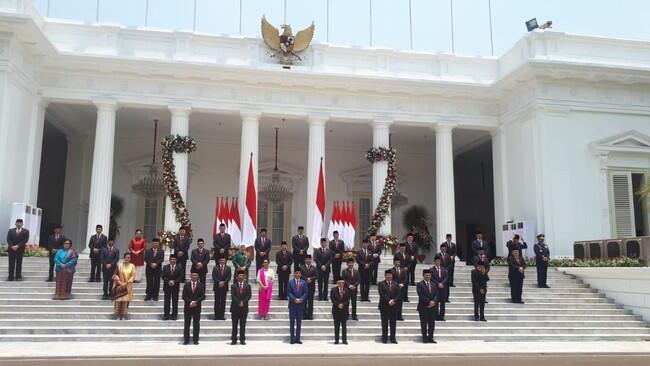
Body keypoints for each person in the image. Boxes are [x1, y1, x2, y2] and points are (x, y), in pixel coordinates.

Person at [182, 272, 206, 345]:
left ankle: (196, 339)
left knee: (196, 324)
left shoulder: (201, 285)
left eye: (196, 275)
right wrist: (191, 302)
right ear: (190, 276)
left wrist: (196, 302)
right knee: (187, 324)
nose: (194, 276)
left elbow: (202, 296)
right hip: (188, 307)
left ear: (198, 276)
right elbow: (184, 296)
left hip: (197, 307)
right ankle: (186, 339)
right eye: (193, 275)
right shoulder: (186, 285)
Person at [416, 269, 438, 343]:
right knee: (424, 323)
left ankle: (431, 338)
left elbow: (436, 294)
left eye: (429, 275)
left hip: (432, 307)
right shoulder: (419, 284)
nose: (428, 276)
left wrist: (433, 302)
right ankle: (424, 338)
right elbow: (421, 295)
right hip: (423, 307)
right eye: (426, 275)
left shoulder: (433, 284)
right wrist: (429, 302)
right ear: (423, 276)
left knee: (432, 323)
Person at [378, 269, 400, 344]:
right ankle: (384, 338)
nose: (389, 276)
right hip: (384, 306)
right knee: (384, 323)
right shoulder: (381, 284)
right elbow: (382, 293)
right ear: (385, 276)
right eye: (387, 275)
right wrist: (388, 300)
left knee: (393, 323)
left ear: (392, 276)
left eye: (390, 275)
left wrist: (394, 300)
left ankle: (393, 338)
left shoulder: (396, 284)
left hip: (394, 306)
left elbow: (398, 294)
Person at [112, 253, 136, 320]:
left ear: (130, 258)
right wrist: (119, 282)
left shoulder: (132, 266)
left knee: (125, 301)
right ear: (124, 258)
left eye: (128, 257)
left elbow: (133, 276)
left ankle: (123, 315)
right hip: (119, 286)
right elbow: (115, 275)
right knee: (118, 300)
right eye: (126, 257)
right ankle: (117, 315)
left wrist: (126, 283)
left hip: (128, 286)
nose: (127, 259)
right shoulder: (119, 265)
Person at [230, 270, 251, 345]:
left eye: (242, 277)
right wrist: (239, 302)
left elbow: (249, 296)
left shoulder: (248, 285)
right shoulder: (233, 286)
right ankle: (234, 339)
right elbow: (233, 296)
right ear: (236, 277)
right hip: (235, 308)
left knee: (243, 325)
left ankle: (242, 339)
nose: (241, 278)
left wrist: (243, 302)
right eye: (239, 277)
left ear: (244, 277)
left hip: (244, 308)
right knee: (234, 325)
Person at [288, 268, 308, 344]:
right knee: (292, 322)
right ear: (294, 274)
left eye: (299, 273)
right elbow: (289, 293)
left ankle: (298, 338)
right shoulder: (290, 282)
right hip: (292, 305)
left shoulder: (303, 282)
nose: (298, 274)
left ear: (301, 274)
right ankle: (292, 338)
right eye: (296, 273)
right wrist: (295, 299)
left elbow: (306, 293)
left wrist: (301, 299)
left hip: (300, 305)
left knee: (299, 322)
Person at [162, 255, 184, 320]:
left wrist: (174, 281)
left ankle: (174, 315)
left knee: (175, 301)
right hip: (167, 286)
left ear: (176, 260)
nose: (172, 260)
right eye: (171, 259)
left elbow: (180, 276)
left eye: (174, 259)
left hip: (175, 286)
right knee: (166, 301)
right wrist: (168, 281)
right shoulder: (165, 267)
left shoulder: (179, 267)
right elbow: (163, 276)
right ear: (169, 260)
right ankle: (166, 315)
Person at [330, 279, 350, 345]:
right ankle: (336, 340)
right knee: (336, 325)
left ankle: (344, 340)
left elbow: (348, 299)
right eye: (340, 282)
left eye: (342, 282)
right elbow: (332, 299)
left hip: (344, 310)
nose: (341, 284)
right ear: (337, 283)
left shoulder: (346, 290)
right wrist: (338, 304)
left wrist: (343, 304)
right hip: (336, 310)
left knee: (344, 325)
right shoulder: (333, 290)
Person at [431, 255, 448, 321]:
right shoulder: (431, 270)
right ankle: (436, 316)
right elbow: (431, 278)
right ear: (434, 262)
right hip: (435, 288)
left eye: (439, 261)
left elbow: (446, 278)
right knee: (436, 302)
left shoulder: (444, 269)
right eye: (437, 261)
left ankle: (442, 316)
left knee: (442, 303)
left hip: (443, 288)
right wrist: (438, 283)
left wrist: (442, 283)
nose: (438, 263)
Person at [300, 255, 317, 320]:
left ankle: (310, 315)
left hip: (311, 287)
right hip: (303, 287)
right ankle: (303, 315)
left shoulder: (314, 268)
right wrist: (306, 279)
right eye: (307, 259)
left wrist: (311, 279)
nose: (308, 261)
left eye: (309, 259)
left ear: (311, 260)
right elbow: (300, 275)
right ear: (305, 260)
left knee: (310, 302)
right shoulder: (301, 267)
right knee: (304, 301)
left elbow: (316, 276)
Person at [390, 256, 407, 321]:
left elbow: (405, 279)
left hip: (401, 289)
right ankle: (393, 316)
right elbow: (391, 279)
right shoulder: (391, 270)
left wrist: (403, 283)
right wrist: (397, 285)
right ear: (394, 263)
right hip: (394, 289)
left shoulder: (403, 270)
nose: (397, 263)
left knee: (400, 303)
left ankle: (399, 316)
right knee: (394, 303)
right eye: (396, 262)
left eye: (398, 262)